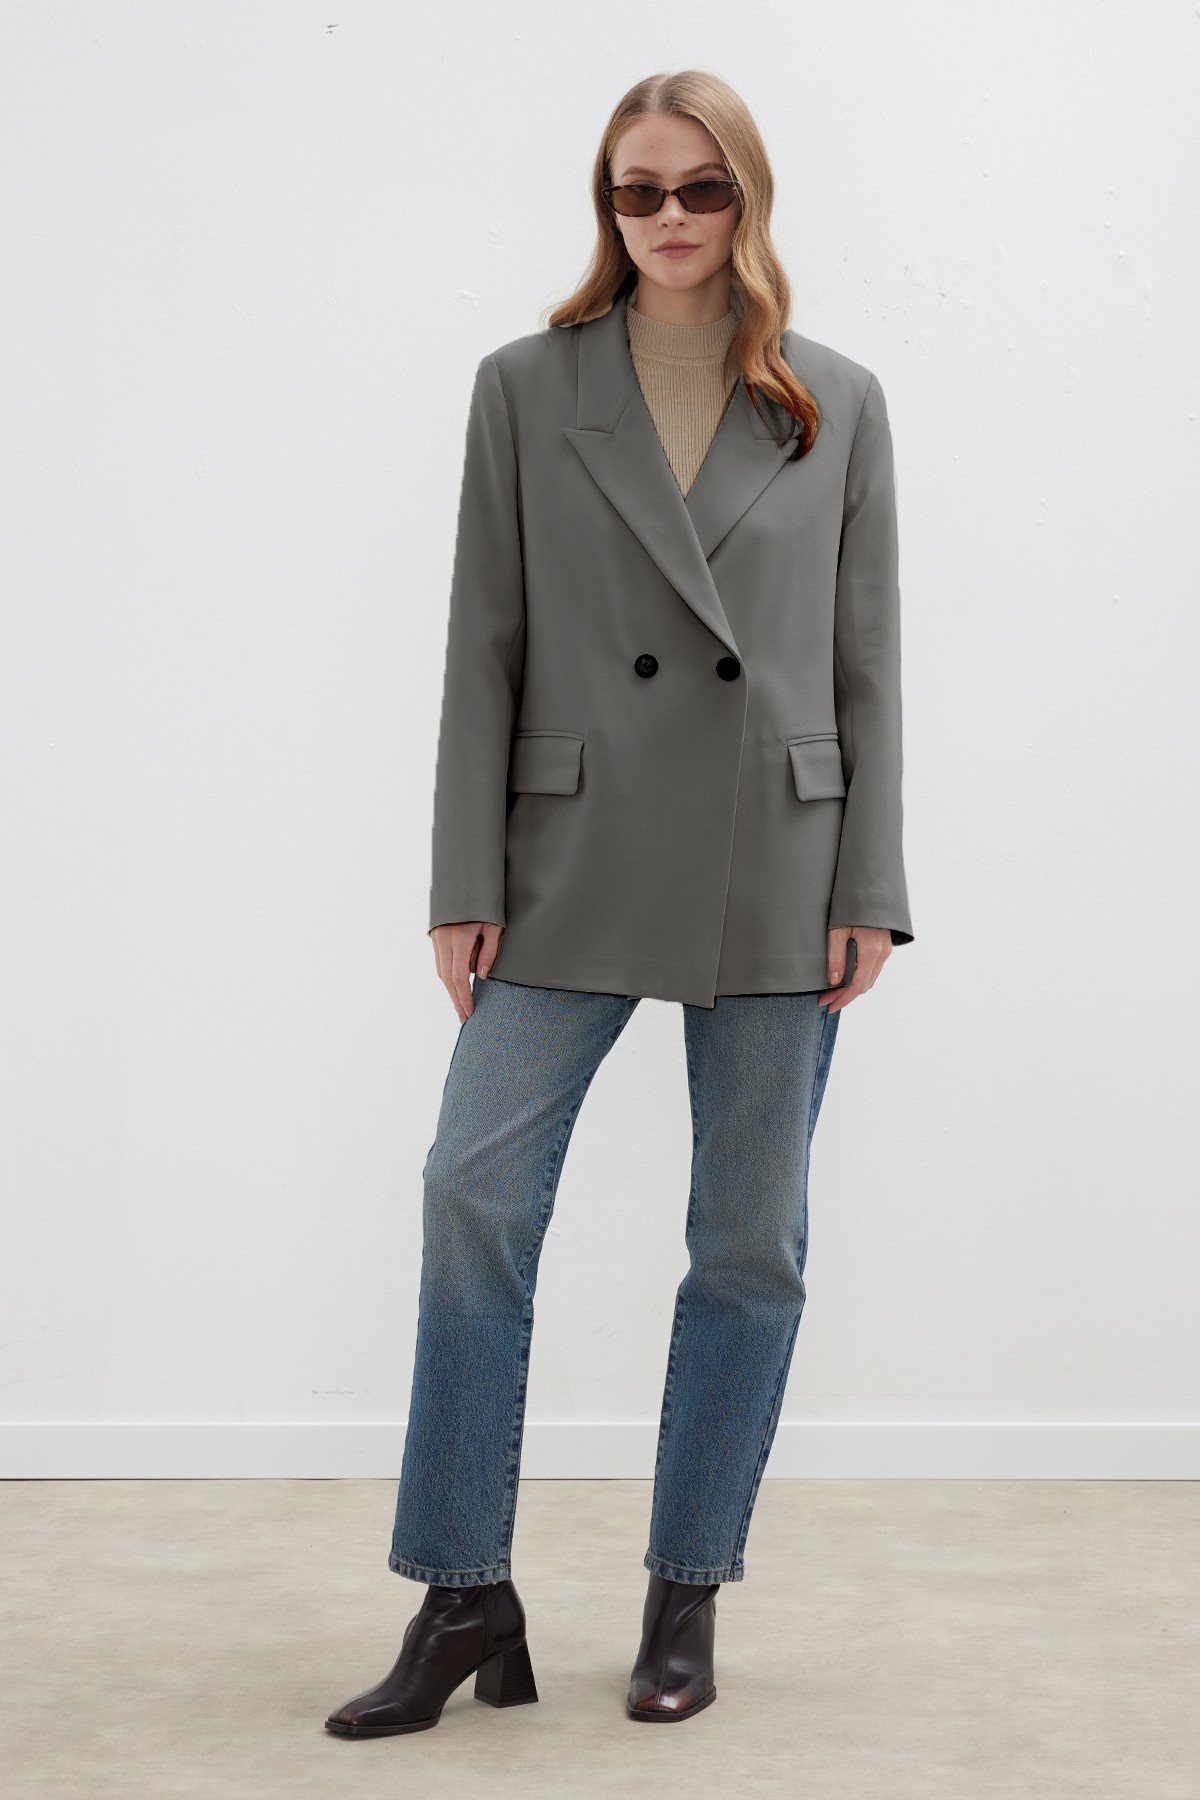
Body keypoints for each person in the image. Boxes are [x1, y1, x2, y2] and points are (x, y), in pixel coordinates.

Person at [326, 66, 913, 1738]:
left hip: (776, 858)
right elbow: (483, 642)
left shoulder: (835, 399)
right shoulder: (527, 386)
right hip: (568, 850)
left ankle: (686, 1592)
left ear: (750, 199)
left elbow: (866, 660)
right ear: (607, 206)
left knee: (748, 1242)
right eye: (636, 190)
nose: (668, 217)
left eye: (700, 188)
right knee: (472, 1191)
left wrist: (872, 882)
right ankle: (463, 1591)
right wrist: (463, 877)